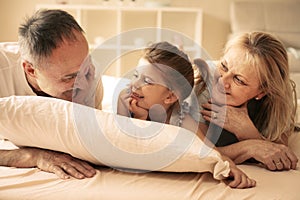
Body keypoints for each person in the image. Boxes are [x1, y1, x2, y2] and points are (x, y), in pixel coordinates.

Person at [118, 41, 256, 189]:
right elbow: (128, 145)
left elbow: (209, 149)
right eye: (135, 75)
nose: (135, 84)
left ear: (170, 97)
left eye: (147, 81)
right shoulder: (125, 99)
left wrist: (231, 168)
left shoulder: (182, 120)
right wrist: (140, 119)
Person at [0, 9, 104, 179]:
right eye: (69, 77)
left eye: (87, 67)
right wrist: (34, 156)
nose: (84, 83)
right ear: (31, 70)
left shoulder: (90, 78)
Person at [198, 31, 298, 171]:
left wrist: (248, 132)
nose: (222, 81)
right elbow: (196, 151)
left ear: (262, 92)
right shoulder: (201, 84)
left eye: (238, 80)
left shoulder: (279, 96)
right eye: (224, 66)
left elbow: (279, 150)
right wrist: (249, 147)